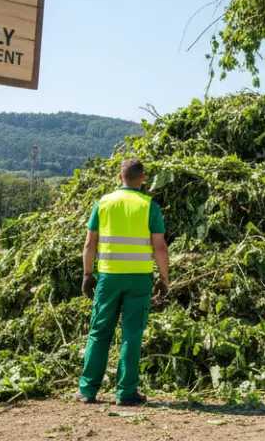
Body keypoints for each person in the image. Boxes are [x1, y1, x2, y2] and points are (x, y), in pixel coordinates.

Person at [76, 158, 170, 406]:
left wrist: (87, 275)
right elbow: (160, 247)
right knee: (132, 334)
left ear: (120, 178)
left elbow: (89, 244)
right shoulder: (150, 207)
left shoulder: (103, 203)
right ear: (143, 178)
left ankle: (87, 390)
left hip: (108, 277)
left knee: (99, 332)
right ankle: (126, 393)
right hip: (139, 279)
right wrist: (164, 278)